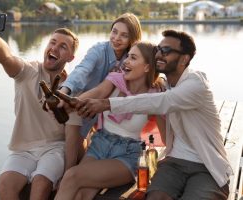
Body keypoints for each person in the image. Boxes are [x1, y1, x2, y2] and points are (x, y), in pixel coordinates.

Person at [75, 29, 233, 200]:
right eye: (158, 49)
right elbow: (154, 97)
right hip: (173, 163)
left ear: (184, 59)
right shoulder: (165, 85)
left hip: (206, 166)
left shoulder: (196, 83)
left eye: (166, 51)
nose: (159, 54)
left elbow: (161, 102)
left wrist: (106, 104)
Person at [0, 8, 83, 200]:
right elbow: (6, 57)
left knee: (40, 184)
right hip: (22, 149)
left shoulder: (73, 86)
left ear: (70, 58)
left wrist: (68, 174)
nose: (55, 48)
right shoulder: (27, 72)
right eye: (53, 42)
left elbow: (73, 133)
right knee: (4, 185)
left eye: (63, 47)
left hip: (55, 148)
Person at [54, 41, 163, 200]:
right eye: (127, 57)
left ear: (147, 67)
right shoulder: (115, 80)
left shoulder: (156, 97)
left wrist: (148, 173)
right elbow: (96, 93)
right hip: (100, 144)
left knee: (71, 176)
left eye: (133, 58)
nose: (125, 61)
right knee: (81, 195)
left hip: (129, 154)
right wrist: (67, 104)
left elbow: (158, 139)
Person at [59, 12, 142, 138]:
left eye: (124, 35)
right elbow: (82, 70)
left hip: (105, 112)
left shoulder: (132, 59)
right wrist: (64, 91)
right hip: (78, 105)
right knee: (68, 146)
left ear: (133, 39)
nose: (117, 38)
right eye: (114, 32)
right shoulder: (98, 50)